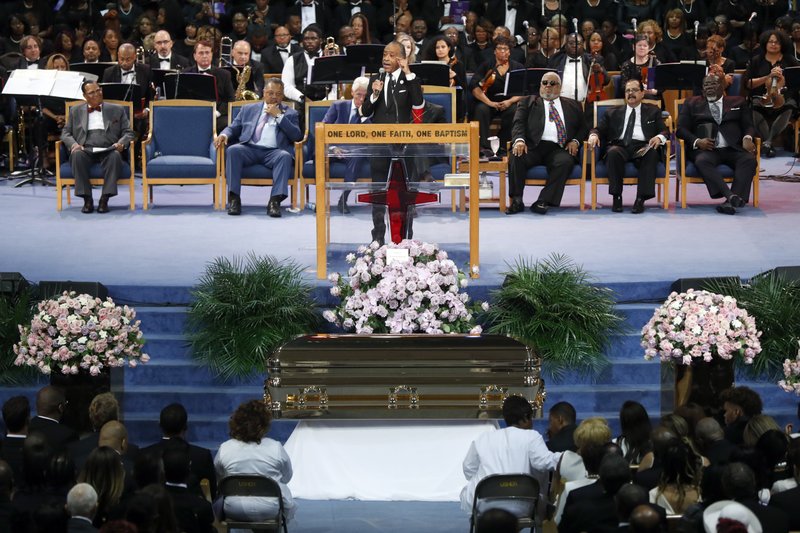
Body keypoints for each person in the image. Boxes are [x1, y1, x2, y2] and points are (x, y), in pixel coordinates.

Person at [359, 40, 424, 245]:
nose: (386, 59)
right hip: (380, 145)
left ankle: (406, 238)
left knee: (406, 194)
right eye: (384, 54)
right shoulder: (376, 78)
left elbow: (418, 104)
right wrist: (374, 94)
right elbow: (365, 112)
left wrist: (409, 73)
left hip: (404, 146)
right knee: (378, 192)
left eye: (391, 55)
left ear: (402, 59)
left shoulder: (410, 79)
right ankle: (378, 237)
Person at [460, 395, 561, 522]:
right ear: (526, 417)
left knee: (471, 487)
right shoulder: (531, 436)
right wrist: (569, 457)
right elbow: (545, 462)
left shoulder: (484, 438)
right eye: (531, 419)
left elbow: (468, 468)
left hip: (485, 505)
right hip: (523, 506)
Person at [216, 77, 302, 218]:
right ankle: (234, 199)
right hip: (249, 149)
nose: (274, 97)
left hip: (274, 152)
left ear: (283, 96)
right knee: (233, 150)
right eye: (270, 93)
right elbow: (233, 127)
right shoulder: (248, 109)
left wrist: (279, 116)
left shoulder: (290, 113)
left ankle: (274, 202)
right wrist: (224, 135)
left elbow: (296, 136)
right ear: (263, 92)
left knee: (285, 156)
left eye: (278, 94)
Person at [676, 73, 757, 215]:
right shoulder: (691, 103)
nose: (709, 88)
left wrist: (747, 138)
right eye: (706, 85)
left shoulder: (738, 102)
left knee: (749, 160)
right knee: (702, 161)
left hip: (733, 148)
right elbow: (681, 129)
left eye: (713, 84)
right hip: (707, 149)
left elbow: (749, 125)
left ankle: (729, 201)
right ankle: (730, 196)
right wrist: (697, 141)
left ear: (723, 86)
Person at [508, 71, 588, 215]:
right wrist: (519, 140)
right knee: (516, 155)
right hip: (532, 146)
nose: (548, 86)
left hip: (559, 148)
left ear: (560, 87)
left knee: (565, 162)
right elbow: (518, 123)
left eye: (552, 83)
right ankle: (517, 200)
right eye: (544, 83)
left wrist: (575, 141)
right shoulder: (528, 102)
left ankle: (543, 200)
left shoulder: (573, 105)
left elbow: (583, 128)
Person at [588, 78, 668, 213]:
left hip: (643, 146)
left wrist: (659, 137)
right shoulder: (612, 112)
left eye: (634, 90)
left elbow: (664, 131)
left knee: (651, 153)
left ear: (642, 93)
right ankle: (617, 197)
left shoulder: (653, 111)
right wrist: (594, 135)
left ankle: (641, 199)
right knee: (613, 152)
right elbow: (598, 129)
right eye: (627, 91)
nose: (630, 93)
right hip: (619, 146)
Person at [214, 400, 296, 523]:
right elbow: (287, 477)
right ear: (264, 424)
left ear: (236, 422)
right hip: (270, 509)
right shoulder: (276, 447)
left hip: (233, 508)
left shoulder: (225, 448)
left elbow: (219, 478)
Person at [60, 81, 134, 214]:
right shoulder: (75, 111)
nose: (97, 94)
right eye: (92, 92)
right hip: (85, 148)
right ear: (84, 96)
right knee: (76, 155)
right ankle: (87, 199)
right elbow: (65, 133)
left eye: (98, 90)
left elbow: (128, 132)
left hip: (109, 148)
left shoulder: (117, 109)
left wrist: (121, 143)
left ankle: (104, 198)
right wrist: (74, 145)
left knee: (115, 156)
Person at [141, 403, 217, 500]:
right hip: (192, 508)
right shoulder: (202, 456)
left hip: (153, 508)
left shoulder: (145, 454)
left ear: (160, 425)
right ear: (185, 427)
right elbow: (211, 494)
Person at [322, 76, 371, 214]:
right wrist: (333, 147)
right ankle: (320, 202)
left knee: (358, 155)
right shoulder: (338, 106)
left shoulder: (371, 112)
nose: (361, 99)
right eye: (358, 95)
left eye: (365, 96)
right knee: (320, 156)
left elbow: (372, 134)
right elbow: (323, 129)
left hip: (354, 151)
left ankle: (343, 199)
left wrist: (364, 115)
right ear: (352, 93)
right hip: (334, 149)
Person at [746, 29, 798, 158]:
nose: (773, 44)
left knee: (790, 106)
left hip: (783, 98)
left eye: (777, 42)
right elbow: (749, 84)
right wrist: (768, 76)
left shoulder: (790, 60)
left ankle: (768, 142)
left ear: (782, 44)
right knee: (754, 106)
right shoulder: (756, 60)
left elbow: (796, 82)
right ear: (765, 43)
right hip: (761, 98)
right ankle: (768, 143)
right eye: (771, 42)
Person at [469, 36, 524, 157]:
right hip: (489, 101)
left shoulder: (518, 67)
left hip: (509, 102)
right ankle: (485, 147)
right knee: (480, 109)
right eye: (499, 48)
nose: (503, 51)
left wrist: (510, 101)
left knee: (515, 111)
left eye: (505, 49)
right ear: (494, 51)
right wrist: (490, 103)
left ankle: (503, 145)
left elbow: (523, 91)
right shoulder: (486, 65)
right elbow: (474, 86)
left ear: (509, 51)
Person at [184, 40, 235, 133]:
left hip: (217, 116)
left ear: (211, 55)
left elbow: (231, 99)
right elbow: (182, 98)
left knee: (227, 123)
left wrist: (218, 112)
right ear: (195, 56)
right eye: (201, 53)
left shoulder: (224, 74)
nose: (204, 56)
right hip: (193, 114)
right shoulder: (185, 73)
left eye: (207, 52)